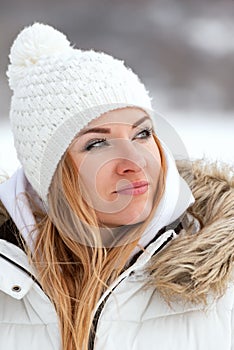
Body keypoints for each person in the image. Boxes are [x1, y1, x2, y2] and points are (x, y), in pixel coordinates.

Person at [0, 23, 233, 350]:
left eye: (142, 133)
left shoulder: (221, 284)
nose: (135, 162)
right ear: (49, 175)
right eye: (97, 144)